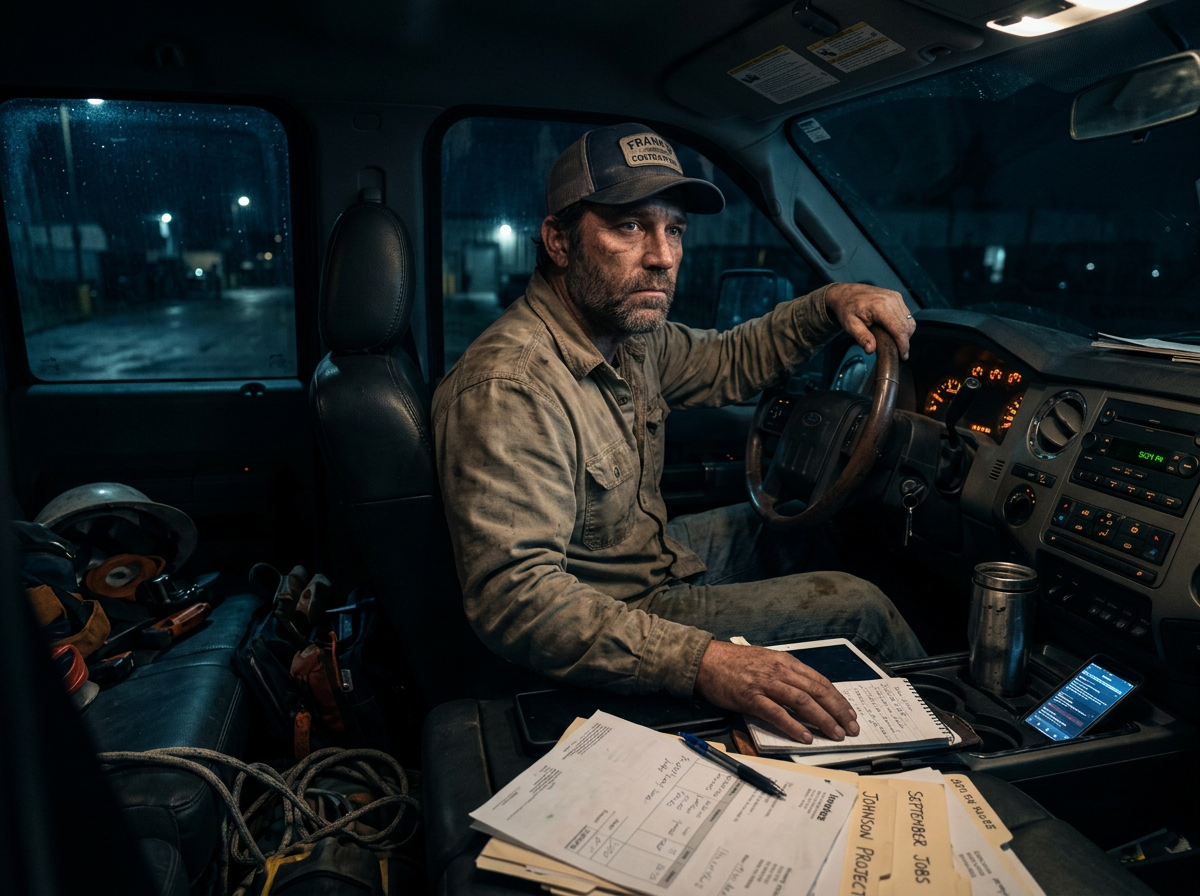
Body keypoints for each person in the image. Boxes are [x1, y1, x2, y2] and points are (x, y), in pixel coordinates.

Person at [432, 123, 924, 746]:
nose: (662, 256)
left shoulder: (626, 335)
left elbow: (731, 358)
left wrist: (832, 301)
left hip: (646, 558)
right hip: (620, 605)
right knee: (862, 607)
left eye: (675, 230)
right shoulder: (510, 387)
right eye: (630, 227)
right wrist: (705, 662)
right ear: (559, 241)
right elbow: (518, 601)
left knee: (805, 520)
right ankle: (963, 759)